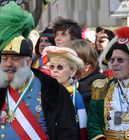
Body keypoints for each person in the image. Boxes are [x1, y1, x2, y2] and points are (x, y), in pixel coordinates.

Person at [0, 2, 77, 140]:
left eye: (15, 59)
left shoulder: (54, 91)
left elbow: (67, 133)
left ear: (29, 62)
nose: (8, 64)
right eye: (4, 58)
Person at [87, 26, 129, 140]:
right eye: (112, 60)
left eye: (120, 60)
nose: (114, 63)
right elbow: (93, 124)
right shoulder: (102, 87)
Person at [42, 46, 88, 140]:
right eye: (52, 66)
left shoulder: (85, 94)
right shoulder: (43, 93)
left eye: (60, 67)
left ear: (72, 71)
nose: (54, 70)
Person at [70, 39, 106, 110]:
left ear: (87, 62)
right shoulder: (72, 78)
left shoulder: (99, 80)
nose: (71, 62)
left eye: (75, 59)